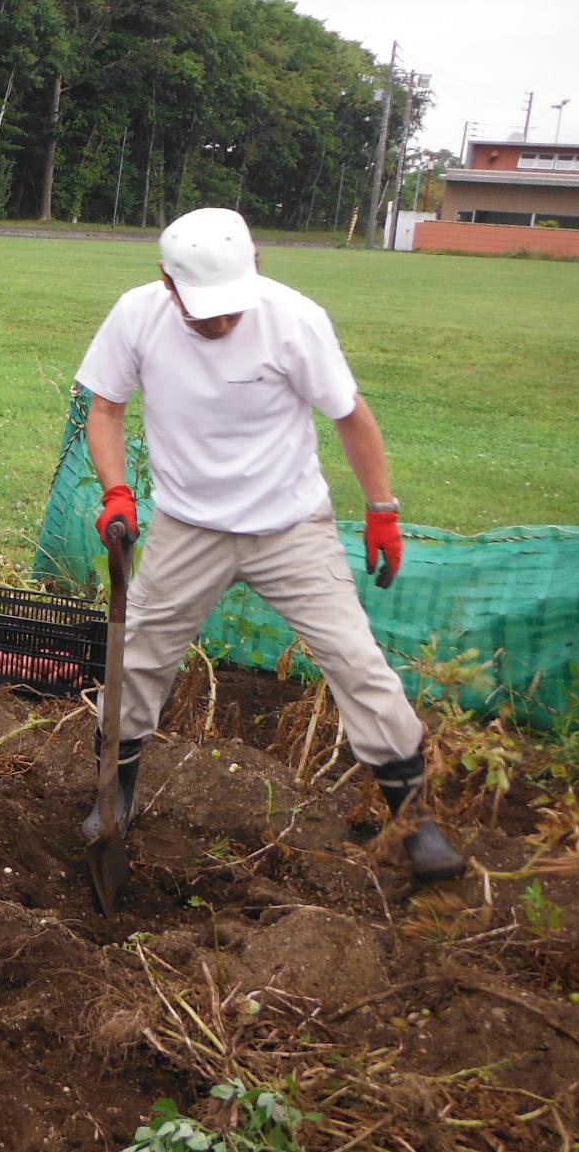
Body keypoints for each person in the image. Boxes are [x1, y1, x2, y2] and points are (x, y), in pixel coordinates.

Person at [74, 206, 463, 882]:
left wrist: (382, 511)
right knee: (136, 657)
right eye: (204, 311)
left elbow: (350, 415)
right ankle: (118, 793)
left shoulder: (294, 319)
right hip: (190, 525)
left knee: (355, 659)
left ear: (254, 268)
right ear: (167, 282)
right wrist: (117, 491)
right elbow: (104, 410)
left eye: (231, 308)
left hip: (290, 527)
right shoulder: (137, 316)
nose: (222, 324)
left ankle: (412, 819)